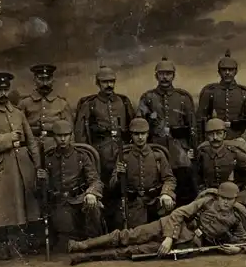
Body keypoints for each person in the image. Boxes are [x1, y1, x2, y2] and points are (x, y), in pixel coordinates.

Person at [67, 182, 246, 259]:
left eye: (230, 200)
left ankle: (86, 257)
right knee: (127, 235)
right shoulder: (207, 201)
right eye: (223, 198)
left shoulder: (235, 218)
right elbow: (178, 214)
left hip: (186, 244)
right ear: (218, 196)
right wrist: (169, 236)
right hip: (169, 226)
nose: (225, 203)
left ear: (235, 200)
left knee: (134, 251)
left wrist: (238, 249)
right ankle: (83, 245)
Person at [0, 72, 41, 260]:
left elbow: (31, 141)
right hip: (0, 167)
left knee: (23, 204)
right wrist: (8, 139)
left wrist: (38, 166)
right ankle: (2, 243)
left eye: (5, 89)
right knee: (1, 208)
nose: (3, 94)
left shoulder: (18, 113)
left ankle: (21, 242)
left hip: (21, 166)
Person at [74, 66, 136, 230]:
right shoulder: (90, 104)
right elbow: (80, 133)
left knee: (122, 188)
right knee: (103, 189)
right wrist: (86, 155)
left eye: (111, 81)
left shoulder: (123, 101)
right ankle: (102, 229)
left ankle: (122, 227)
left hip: (121, 151)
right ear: (97, 83)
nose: (109, 85)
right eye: (104, 82)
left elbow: (133, 126)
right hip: (99, 153)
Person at [137, 56, 198, 206]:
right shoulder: (148, 98)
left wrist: (192, 148)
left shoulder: (183, 97)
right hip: (157, 149)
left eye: (168, 73)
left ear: (173, 75)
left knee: (184, 188)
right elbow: (139, 124)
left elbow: (193, 127)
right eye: (161, 73)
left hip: (180, 149)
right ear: (156, 75)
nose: (165, 77)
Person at [37, 120, 104, 247]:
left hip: (78, 199)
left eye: (66, 135)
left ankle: (94, 242)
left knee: (92, 206)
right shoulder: (48, 158)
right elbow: (39, 190)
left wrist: (91, 193)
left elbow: (95, 180)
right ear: (54, 137)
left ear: (71, 136)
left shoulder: (81, 156)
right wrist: (43, 179)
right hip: (59, 201)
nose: (63, 139)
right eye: (59, 136)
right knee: (65, 237)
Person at [110, 117, 177, 228]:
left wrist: (166, 193)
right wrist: (118, 174)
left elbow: (169, 179)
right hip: (133, 205)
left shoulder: (157, 155)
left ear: (147, 134)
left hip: (154, 202)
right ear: (131, 135)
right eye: (136, 134)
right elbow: (112, 185)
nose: (140, 137)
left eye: (143, 133)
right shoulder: (124, 156)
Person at [195, 113, 246, 212]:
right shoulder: (202, 153)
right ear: (206, 136)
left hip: (235, 196)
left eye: (219, 133)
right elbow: (196, 176)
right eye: (211, 134)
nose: (215, 137)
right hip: (212, 196)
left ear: (224, 135)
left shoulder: (234, 153)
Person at [196, 49, 246, 145]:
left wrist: (245, 139)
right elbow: (200, 120)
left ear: (236, 71)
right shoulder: (209, 92)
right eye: (224, 70)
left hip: (238, 140)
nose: (227, 72)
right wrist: (203, 140)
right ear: (219, 72)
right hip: (213, 140)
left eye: (231, 70)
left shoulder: (245, 93)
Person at [18, 64, 74, 151]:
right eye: (41, 79)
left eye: (48, 79)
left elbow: (70, 131)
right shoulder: (25, 103)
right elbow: (18, 129)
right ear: (35, 80)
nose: (45, 83)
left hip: (56, 147)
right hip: (31, 147)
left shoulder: (62, 103)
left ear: (52, 80)